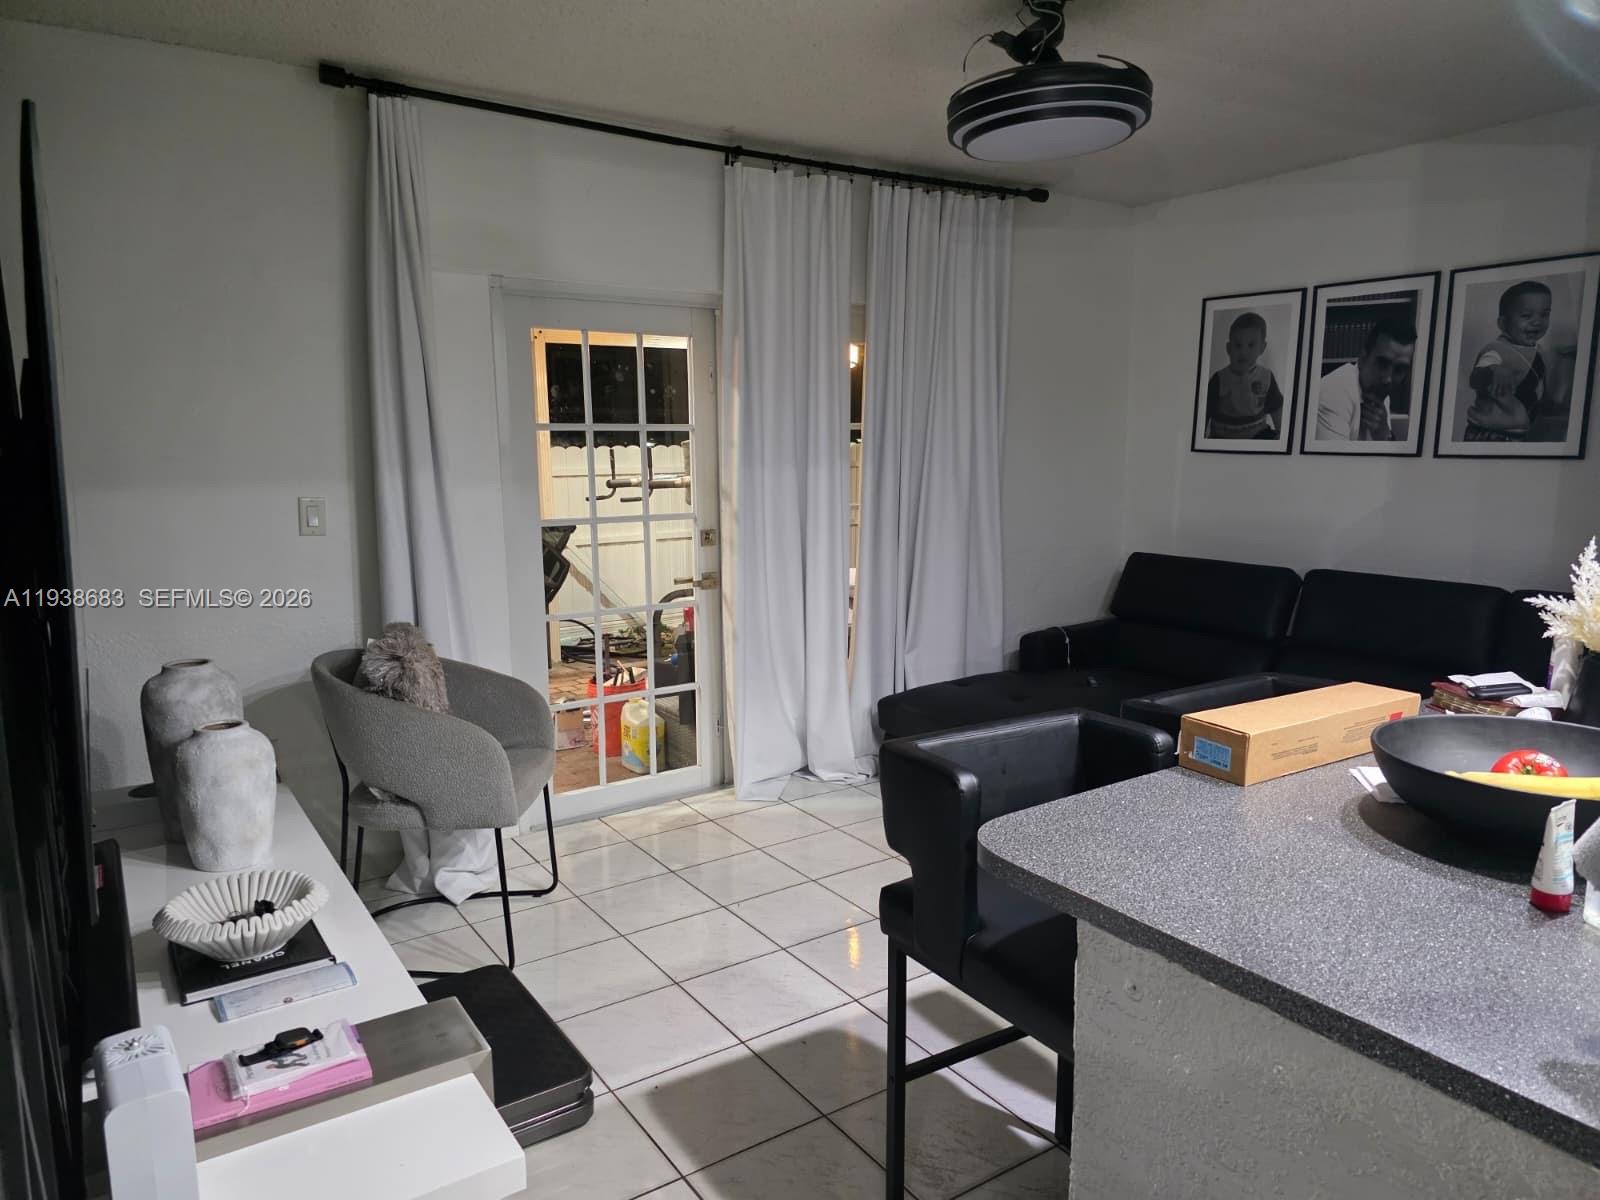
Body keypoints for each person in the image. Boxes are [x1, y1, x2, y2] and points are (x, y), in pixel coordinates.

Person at [1463, 281, 1551, 442]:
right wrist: (1494, 370)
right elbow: (1475, 377)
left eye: (1544, 314)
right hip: (1490, 434)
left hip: (1520, 433)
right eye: (1526, 315)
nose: (1537, 321)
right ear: (1503, 323)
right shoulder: (1496, 350)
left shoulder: (1540, 352)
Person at [1314, 316, 1417, 441]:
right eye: (1382, 364)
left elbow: (1383, 455)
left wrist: (1385, 435)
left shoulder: (1379, 393)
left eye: (1399, 369)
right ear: (1362, 359)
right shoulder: (1335, 391)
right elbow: (1334, 460)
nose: (1388, 379)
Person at [1204, 312, 1284, 439]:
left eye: (1251, 345)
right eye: (1238, 345)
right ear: (1228, 348)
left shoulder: (1266, 377)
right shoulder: (1219, 379)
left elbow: (1277, 408)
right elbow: (1204, 413)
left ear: (1262, 348)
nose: (1243, 352)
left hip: (1258, 435)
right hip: (1224, 436)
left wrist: (1282, 434)